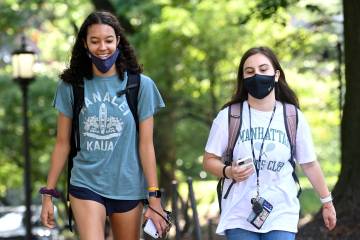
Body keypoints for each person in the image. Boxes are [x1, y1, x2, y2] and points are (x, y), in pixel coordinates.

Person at [40, 11, 169, 239]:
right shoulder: (72, 86)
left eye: (108, 40)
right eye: (95, 41)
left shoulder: (141, 86)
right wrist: (48, 194)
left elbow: (146, 145)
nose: (102, 47)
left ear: (118, 40)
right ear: (85, 43)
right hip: (86, 183)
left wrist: (154, 198)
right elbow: (62, 144)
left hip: (128, 185)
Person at [203, 46, 336, 240]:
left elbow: (309, 163)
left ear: (276, 75)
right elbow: (208, 161)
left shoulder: (292, 116)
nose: (257, 75)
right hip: (239, 214)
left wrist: (327, 202)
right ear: (243, 79)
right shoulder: (229, 116)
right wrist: (228, 171)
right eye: (250, 71)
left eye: (263, 69)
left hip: (282, 212)